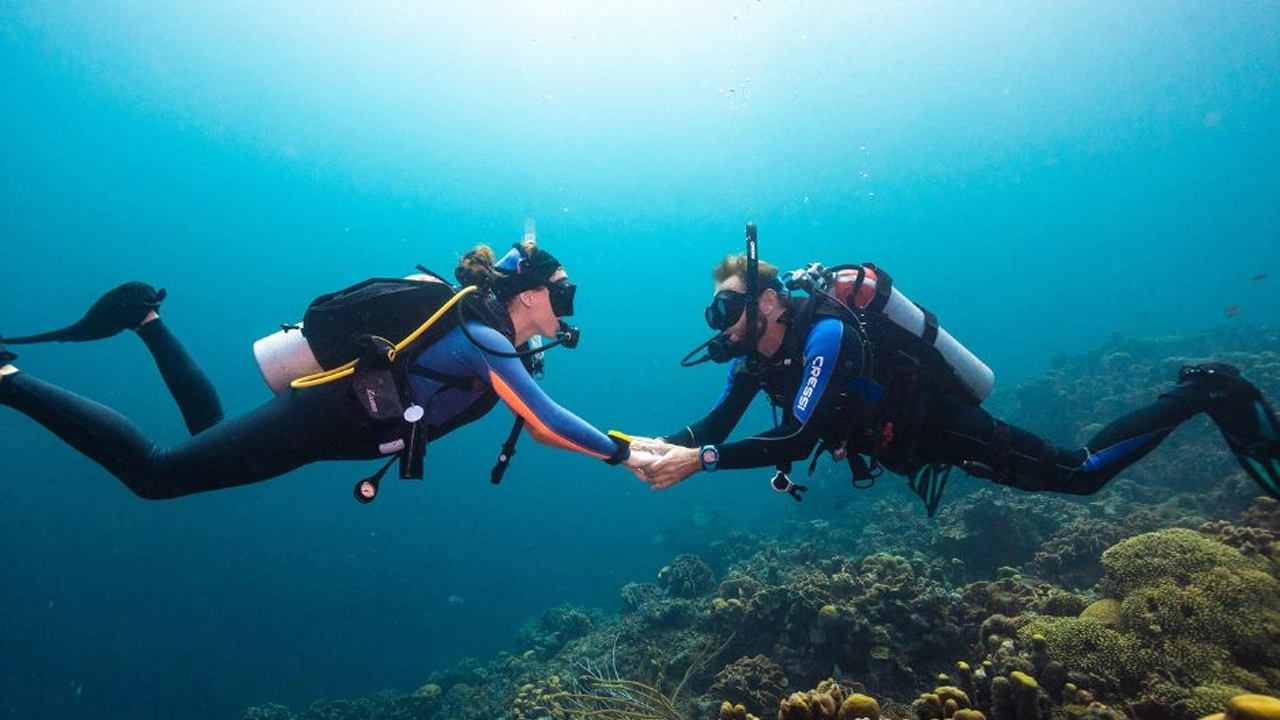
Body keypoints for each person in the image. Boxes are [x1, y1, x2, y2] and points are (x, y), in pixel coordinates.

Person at [0, 240, 656, 500]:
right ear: (530, 294)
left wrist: (634, 448)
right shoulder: (484, 339)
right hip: (321, 417)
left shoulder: (498, 344)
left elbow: (536, 424)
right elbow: (546, 420)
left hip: (330, 426)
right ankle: (8, 379)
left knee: (205, 435)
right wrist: (628, 454)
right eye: (564, 293)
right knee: (155, 475)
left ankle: (144, 318)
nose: (569, 306)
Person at [632, 251, 1280, 510]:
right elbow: (712, 425)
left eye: (727, 306)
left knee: (1078, 474)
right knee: (1070, 477)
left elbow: (797, 438)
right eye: (714, 311)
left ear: (770, 301)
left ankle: (1204, 392)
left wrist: (701, 461)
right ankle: (1203, 393)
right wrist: (650, 446)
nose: (719, 322)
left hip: (940, 424)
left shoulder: (825, 334)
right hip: (905, 442)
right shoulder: (754, 363)